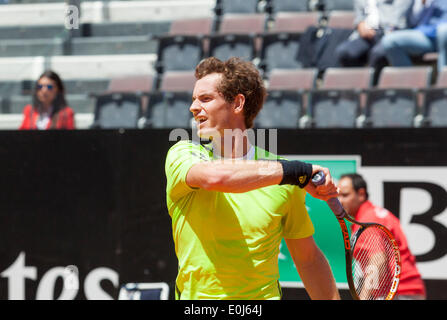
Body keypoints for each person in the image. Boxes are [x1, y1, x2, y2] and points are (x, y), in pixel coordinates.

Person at [165, 57, 341, 300]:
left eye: (205, 99)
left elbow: (308, 258)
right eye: (194, 99)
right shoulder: (182, 154)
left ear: (237, 103)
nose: (193, 107)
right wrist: (295, 172)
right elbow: (216, 178)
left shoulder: (284, 175)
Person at [337, 173, 426, 300]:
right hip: (408, 291)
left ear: (361, 194)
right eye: (337, 195)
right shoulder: (373, 214)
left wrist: (364, 297)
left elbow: (378, 258)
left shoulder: (368, 219)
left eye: (345, 195)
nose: (339, 200)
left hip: (400, 293)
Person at [335, 0, 413, 82]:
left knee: (377, 54)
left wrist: (384, 27)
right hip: (366, 35)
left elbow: (399, 18)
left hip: (389, 33)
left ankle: (373, 88)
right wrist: (360, 25)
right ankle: (354, 86)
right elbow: (359, 17)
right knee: (344, 52)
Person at [381, 0, 447, 72]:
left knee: (444, 30)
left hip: (443, 34)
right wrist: (422, 4)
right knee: (389, 41)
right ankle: (406, 81)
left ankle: (444, 77)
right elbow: (413, 22)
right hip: (426, 35)